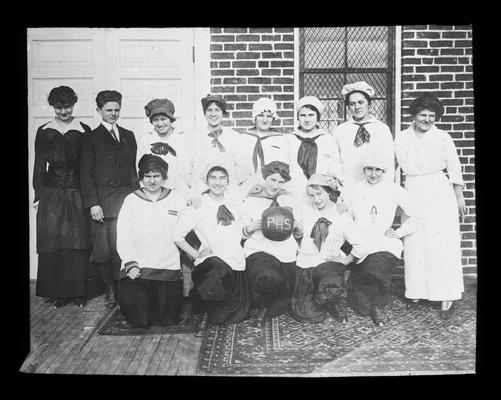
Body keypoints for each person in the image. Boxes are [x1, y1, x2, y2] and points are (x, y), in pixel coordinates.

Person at [394, 93, 466, 319]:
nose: (427, 120)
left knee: (441, 241)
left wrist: (459, 196)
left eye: (431, 116)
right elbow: (391, 166)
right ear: (414, 115)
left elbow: (453, 167)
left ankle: (446, 292)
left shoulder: (443, 137)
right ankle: (417, 290)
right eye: (423, 115)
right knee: (415, 241)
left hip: (438, 191)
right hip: (412, 189)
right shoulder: (402, 138)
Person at [33, 86, 96, 308]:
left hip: (76, 191)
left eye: (67, 107)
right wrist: (38, 194)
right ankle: (57, 292)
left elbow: (88, 165)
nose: (63, 112)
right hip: (51, 193)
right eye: (59, 108)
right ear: (53, 107)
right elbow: (39, 164)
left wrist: (88, 197)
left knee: (77, 240)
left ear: (74, 105)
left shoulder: (83, 130)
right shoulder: (44, 130)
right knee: (54, 241)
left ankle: (78, 292)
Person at [343, 151, 422, 325]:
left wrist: (399, 232)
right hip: (359, 240)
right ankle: (377, 294)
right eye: (369, 169)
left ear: (384, 171)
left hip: (383, 241)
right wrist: (355, 240)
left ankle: (377, 307)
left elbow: (417, 214)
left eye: (378, 170)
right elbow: (345, 218)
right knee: (359, 302)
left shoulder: (393, 189)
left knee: (373, 269)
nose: (373, 174)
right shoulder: (355, 189)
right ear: (364, 170)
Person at [80, 90, 139, 309]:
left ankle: (125, 286)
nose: (113, 114)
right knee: (104, 250)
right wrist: (93, 203)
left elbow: (133, 171)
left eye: (116, 110)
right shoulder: (91, 137)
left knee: (122, 246)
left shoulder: (128, 135)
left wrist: (137, 199)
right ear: (99, 111)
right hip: (103, 203)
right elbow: (86, 174)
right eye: (108, 110)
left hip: (126, 200)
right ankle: (110, 290)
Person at [174, 166, 250, 325]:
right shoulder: (199, 205)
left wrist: (249, 229)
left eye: (222, 178)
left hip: (236, 261)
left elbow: (241, 232)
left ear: (228, 181)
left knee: (239, 312)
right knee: (217, 317)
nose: (217, 182)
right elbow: (177, 236)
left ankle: (205, 297)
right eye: (213, 178)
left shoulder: (235, 202)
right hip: (213, 262)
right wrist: (196, 254)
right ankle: (202, 295)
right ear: (206, 181)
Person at [116, 155, 185, 328]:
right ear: (141, 178)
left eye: (156, 176)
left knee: (168, 320)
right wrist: (131, 264)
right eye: (148, 176)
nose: (152, 181)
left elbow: (189, 228)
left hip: (168, 268)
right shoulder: (131, 200)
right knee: (141, 320)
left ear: (164, 177)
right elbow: (123, 235)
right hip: (140, 268)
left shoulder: (176, 199)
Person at [291, 174, 356, 324]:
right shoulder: (302, 209)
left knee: (330, 284)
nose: (316, 199)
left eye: (320, 194)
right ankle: (318, 299)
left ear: (329, 193)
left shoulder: (340, 213)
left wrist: (347, 260)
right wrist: (297, 231)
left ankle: (335, 302)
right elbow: (296, 237)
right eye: (311, 195)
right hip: (307, 262)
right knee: (306, 314)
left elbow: (359, 242)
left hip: (329, 262)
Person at [242, 161, 302, 321]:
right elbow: (240, 232)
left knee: (288, 298)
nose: (275, 186)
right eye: (272, 180)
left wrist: (297, 228)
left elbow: (300, 231)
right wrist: (251, 227)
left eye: (281, 182)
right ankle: (263, 306)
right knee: (268, 276)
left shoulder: (290, 200)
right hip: (260, 249)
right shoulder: (251, 200)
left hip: (285, 252)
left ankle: (270, 302)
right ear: (265, 179)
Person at [333, 81, 395, 193]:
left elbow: (389, 162)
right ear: (348, 107)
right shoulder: (341, 130)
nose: (357, 107)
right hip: (349, 186)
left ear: (369, 104)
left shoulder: (382, 129)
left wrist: (386, 188)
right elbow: (335, 161)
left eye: (361, 102)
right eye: (352, 104)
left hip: (375, 187)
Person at [192, 94, 255, 200]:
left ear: (223, 113)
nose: (213, 114)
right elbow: (187, 170)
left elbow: (244, 168)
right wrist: (203, 187)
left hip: (228, 192)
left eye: (217, 110)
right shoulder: (196, 138)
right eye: (209, 110)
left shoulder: (234, 137)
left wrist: (228, 185)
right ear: (204, 113)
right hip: (202, 193)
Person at [136, 98, 197, 203]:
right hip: (156, 194)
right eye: (155, 120)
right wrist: (148, 196)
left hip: (182, 193)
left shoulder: (184, 139)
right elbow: (140, 171)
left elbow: (194, 169)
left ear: (171, 119)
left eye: (163, 119)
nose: (160, 124)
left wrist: (193, 193)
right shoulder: (146, 140)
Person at [288, 96, 343, 196]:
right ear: (297, 117)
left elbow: (335, 169)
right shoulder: (289, 140)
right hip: (295, 192)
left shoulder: (327, 140)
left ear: (318, 117)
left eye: (311, 115)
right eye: (303, 115)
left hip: (320, 194)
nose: (307, 119)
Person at [242, 97, 292, 188]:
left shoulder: (281, 140)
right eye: (261, 115)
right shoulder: (244, 139)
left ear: (273, 118)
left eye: (269, 116)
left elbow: (284, 169)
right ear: (255, 117)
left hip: (272, 187)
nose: (265, 120)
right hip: (247, 186)